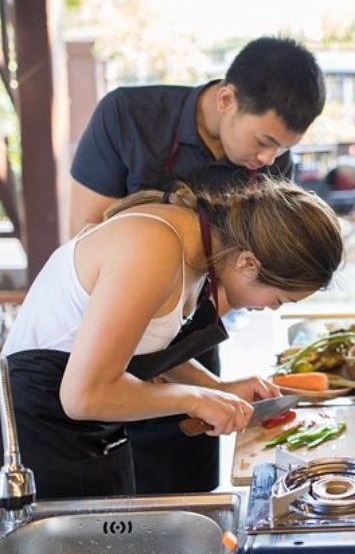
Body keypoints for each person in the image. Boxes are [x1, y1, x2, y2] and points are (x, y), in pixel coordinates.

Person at [67, 35, 325, 494]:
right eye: (265, 141)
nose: (268, 161)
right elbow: (86, 235)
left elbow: (242, 283)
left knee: (187, 489)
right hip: (99, 338)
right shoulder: (128, 116)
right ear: (227, 99)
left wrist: (212, 386)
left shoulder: (270, 165)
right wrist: (187, 385)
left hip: (184, 344)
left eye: (283, 150)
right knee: (118, 498)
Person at [0, 179, 344, 499]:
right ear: (247, 262)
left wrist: (217, 390)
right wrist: (194, 399)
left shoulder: (193, 247)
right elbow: (83, 395)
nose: (271, 309)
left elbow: (143, 341)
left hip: (85, 437)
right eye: (279, 299)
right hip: (38, 436)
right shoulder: (154, 246)